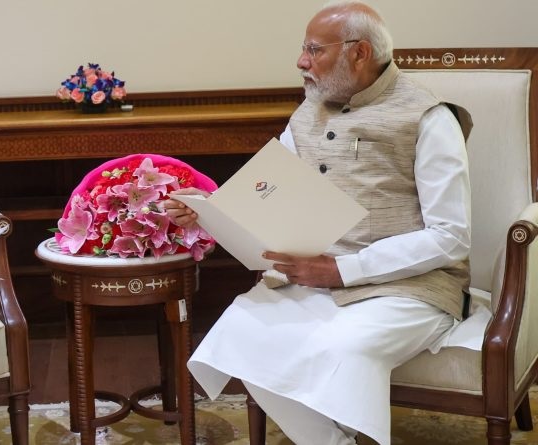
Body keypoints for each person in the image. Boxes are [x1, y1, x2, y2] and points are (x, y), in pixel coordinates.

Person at [167, 2, 472, 445]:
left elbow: (451, 236)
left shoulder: (429, 117)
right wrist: (209, 210)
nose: (301, 61)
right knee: (243, 333)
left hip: (410, 287)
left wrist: (343, 270)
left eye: (314, 50)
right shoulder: (306, 114)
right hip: (313, 280)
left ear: (359, 52)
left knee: (343, 347)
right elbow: (267, 196)